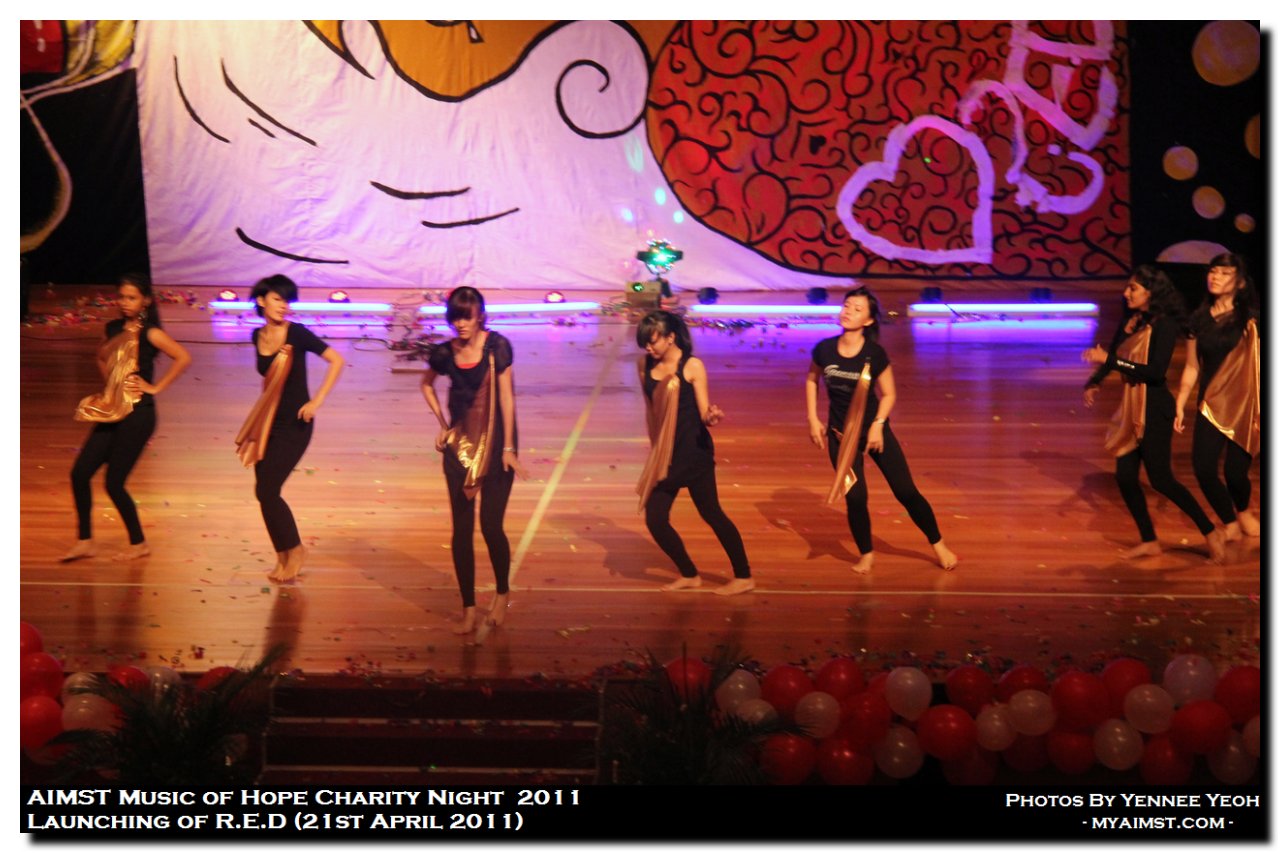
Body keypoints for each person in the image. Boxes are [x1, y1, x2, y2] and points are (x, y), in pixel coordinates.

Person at [806, 286, 957, 574]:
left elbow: (889, 395)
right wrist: (813, 419)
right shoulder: (824, 349)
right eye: (847, 306)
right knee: (855, 498)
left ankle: (938, 544)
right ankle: (866, 554)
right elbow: (812, 380)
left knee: (905, 491)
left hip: (875, 434)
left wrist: (877, 426)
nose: (848, 311)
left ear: (868, 320)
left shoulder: (874, 354)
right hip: (841, 437)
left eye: (857, 309)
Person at [1083, 265, 1225, 562]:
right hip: (1131, 406)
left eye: (1133, 288)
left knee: (1161, 480)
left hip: (1155, 408)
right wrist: (1095, 380)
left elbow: (1155, 372)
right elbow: (1114, 354)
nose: (1126, 293)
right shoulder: (1132, 320)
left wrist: (1110, 361)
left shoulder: (1165, 324)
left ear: (1150, 292)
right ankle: (1149, 541)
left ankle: (1211, 531)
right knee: (1125, 477)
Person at [421, 287, 527, 634]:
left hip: (496, 445)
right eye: (456, 317)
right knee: (462, 531)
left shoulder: (497, 347)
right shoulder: (444, 353)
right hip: (460, 447)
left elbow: (507, 398)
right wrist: (443, 426)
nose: (461, 323)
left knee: (491, 526)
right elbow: (426, 385)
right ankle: (467, 607)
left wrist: (509, 448)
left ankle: (501, 593)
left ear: (480, 315)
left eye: (467, 316)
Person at [65, 274, 192, 561]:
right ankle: (85, 541)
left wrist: (155, 387)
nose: (125, 302)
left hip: (139, 415)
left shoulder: (150, 333)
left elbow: (183, 357)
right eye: (122, 297)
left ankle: (139, 543)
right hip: (113, 410)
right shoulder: (112, 328)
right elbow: (100, 357)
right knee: (80, 473)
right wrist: (111, 386)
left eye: (131, 297)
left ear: (145, 301)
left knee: (114, 483)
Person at [635, 310, 754, 595]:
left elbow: (704, 413)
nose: (648, 348)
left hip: (693, 454)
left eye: (653, 341)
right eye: (645, 343)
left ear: (670, 337)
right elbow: (651, 411)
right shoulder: (643, 365)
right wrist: (656, 449)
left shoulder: (692, 366)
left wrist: (712, 417)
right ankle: (689, 574)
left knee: (712, 514)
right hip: (666, 456)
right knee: (656, 520)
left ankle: (744, 576)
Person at [235, 275, 345, 583]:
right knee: (263, 491)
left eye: (287, 300)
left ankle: (295, 550)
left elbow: (336, 360)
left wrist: (316, 401)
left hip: (296, 424)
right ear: (261, 301)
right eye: (278, 299)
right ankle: (283, 554)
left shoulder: (297, 333)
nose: (284, 305)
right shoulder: (256, 335)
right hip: (268, 423)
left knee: (268, 490)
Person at [1174, 252, 1260, 540]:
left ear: (1241, 283)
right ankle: (1229, 521)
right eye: (1213, 271)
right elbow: (1192, 366)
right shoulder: (1197, 319)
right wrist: (1181, 402)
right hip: (1211, 403)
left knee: (1236, 473)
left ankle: (1244, 511)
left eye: (1224, 273)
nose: (1215, 277)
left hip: (1246, 405)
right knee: (1203, 469)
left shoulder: (1253, 320)